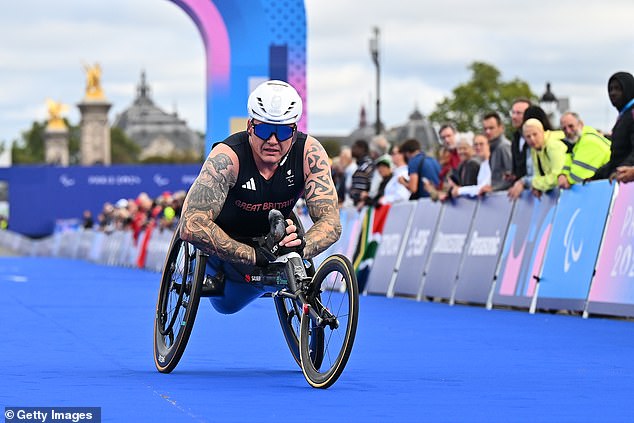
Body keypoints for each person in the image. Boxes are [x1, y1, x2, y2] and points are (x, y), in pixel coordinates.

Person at [179, 80, 341, 314]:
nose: (273, 141)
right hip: (225, 245)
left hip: (273, 239)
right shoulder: (227, 158)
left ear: (294, 132)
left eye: (283, 131)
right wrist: (253, 255)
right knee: (227, 307)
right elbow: (190, 225)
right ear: (250, 126)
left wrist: (303, 246)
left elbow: (331, 223)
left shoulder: (310, 153)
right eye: (264, 130)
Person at [593, 71, 634, 180]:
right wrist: (595, 176)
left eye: (618, 89)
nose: (612, 93)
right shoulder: (623, 117)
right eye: (610, 89)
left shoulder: (632, 115)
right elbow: (616, 158)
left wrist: (620, 171)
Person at [558, 112, 611, 188]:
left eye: (571, 126)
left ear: (581, 124)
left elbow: (578, 176)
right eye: (564, 128)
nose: (568, 131)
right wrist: (563, 174)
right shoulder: (578, 142)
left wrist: (567, 180)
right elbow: (569, 165)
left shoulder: (589, 141)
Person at [522, 118, 568, 198]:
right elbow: (538, 175)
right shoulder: (534, 149)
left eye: (535, 134)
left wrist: (535, 184)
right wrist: (537, 187)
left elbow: (557, 177)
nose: (532, 139)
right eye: (528, 136)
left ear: (542, 131)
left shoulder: (553, 145)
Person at [445, 134, 491, 198]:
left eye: (464, 148)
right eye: (459, 149)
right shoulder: (462, 165)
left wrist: (459, 190)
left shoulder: (473, 164)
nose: (461, 152)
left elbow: (476, 188)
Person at [480, 112, 513, 194]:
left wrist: (493, 189)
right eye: (485, 129)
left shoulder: (504, 147)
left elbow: (512, 177)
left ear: (501, 128)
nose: (487, 132)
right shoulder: (494, 148)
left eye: (491, 128)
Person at [507, 98, 532, 198]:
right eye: (513, 113)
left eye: (519, 113)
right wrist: (513, 176)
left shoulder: (537, 139)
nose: (514, 117)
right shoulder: (515, 139)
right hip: (522, 197)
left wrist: (523, 182)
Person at [348, 139, 375, 208]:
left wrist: (363, 198)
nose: (352, 150)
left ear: (361, 149)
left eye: (354, 147)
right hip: (359, 205)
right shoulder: (361, 165)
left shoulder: (366, 166)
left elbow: (369, 186)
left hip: (364, 206)